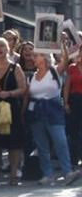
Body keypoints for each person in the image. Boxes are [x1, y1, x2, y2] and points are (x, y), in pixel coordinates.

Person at [24, 53, 80, 186]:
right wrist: (24, 113)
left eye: (36, 56)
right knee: (41, 144)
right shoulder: (31, 76)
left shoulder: (54, 71)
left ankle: (67, 172)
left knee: (60, 141)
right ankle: (47, 174)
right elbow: (28, 95)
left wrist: (63, 43)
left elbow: (66, 60)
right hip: (36, 112)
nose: (34, 58)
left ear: (44, 58)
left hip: (53, 110)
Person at [0, 38, 27, 186]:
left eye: (2, 46)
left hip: (11, 107)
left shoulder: (15, 67)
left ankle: (14, 174)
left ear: (8, 49)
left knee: (14, 142)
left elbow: (23, 88)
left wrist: (9, 94)